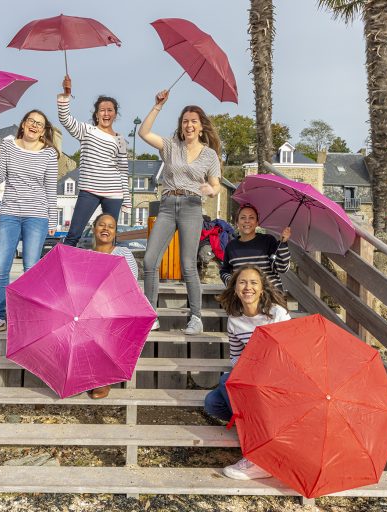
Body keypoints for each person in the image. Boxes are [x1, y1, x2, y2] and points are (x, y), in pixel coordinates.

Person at [138, 90, 222, 336]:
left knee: (187, 264)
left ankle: (196, 317)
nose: (189, 124)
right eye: (185, 121)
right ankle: (151, 316)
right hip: (167, 205)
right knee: (151, 261)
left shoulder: (209, 155)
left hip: (192, 206)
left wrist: (210, 189)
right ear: (181, 125)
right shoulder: (170, 146)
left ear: (201, 126)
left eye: (193, 121)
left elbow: (216, 185)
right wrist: (157, 106)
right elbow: (143, 133)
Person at [204, 265, 291, 480]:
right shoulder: (235, 320)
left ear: (262, 288)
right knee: (212, 403)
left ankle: (258, 457)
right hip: (252, 376)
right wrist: (247, 377)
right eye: (242, 282)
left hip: (279, 376)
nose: (248, 287)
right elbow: (236, 357)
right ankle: (254, 425)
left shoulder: (277, 314)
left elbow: (291, 351)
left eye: (253, 282)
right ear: (234, 289)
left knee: (226, 383)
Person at [0, 110, 60, 335]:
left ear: (44, 131)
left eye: (40, 124)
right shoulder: (7, 146)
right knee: (0, 267)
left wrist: (52, 219)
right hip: (10, 213)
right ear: (23, 124)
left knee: (31, 268)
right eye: (31, 121)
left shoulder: (49, 154)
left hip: (37, 216)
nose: (34, 126)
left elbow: (51, 190)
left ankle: (28, 315)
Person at [57, 75, 130, 247]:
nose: (106, 113)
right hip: (89, 190)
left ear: (115, 114)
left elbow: (123, 170)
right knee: (73, 234)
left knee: (110, 238)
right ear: (96, 114)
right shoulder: (87, 131)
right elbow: (65, 119)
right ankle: (62, 271)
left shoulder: (120, 140)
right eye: (102, 110)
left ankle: (107, 272)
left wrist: (126, 200)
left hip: (113, 192)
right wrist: (66, 95)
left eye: (110, 110)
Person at [87, 213, 139, 399]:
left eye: (110, 226)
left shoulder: (124, 253)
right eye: (102, 225)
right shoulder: (86, 255)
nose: (106, 229)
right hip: (91, 306)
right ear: (94, 229)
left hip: (118, 305)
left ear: (115, 232)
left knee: (104, 326)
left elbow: (131, 283)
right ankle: (83, 377)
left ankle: (103, 379)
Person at [219, 203, 291, 292]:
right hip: (246, 296)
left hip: (270, 294)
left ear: (257, 222)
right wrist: (233, 283)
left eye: (251, 217)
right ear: (237, 222)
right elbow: (224, 271)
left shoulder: (268, 241)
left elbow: (282, 268)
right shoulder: (231, 246)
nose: (247, 221)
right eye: (243, 217)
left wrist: (283, 243)